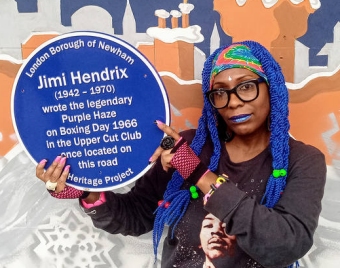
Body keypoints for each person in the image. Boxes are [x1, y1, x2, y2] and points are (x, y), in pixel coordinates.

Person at [36, 40, 326, 268]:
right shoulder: (187, 146)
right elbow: (137, 216)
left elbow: (286, 245)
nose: (234, 102)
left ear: (271, 89)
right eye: (220, 92)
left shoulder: (302, 161)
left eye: (247, 86)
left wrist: (196, 172)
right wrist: (86, 192)